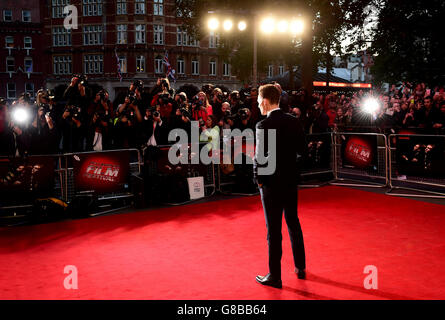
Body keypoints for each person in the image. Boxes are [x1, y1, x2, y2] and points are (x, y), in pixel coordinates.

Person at [254, 84, 306, 289]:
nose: (258, 105)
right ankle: (300, 267)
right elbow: (303, 151)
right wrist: (293, 171)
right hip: (290, 181)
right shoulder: (294, 122)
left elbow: (259, 158)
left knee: (273, 230)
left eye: (259, 101)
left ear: (265, 101)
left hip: (270, 184)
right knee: (293, 222)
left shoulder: (263, 125)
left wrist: (258, 180)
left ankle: (275, 276)